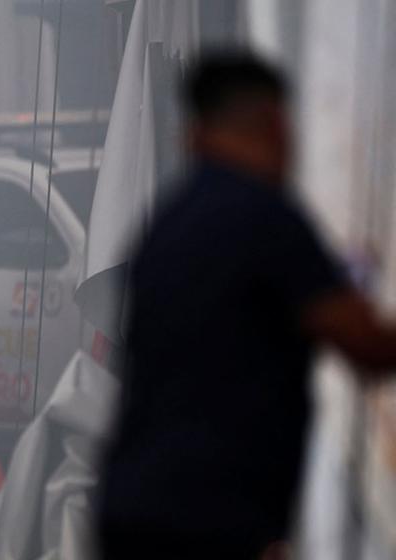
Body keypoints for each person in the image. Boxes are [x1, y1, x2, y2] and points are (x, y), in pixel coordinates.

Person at [96, 52, 396, 559]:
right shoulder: (266, 219)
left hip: (131, 508)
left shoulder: (166, 227)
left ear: (193, 134)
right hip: (209, 519)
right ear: (278, 126)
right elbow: (366, 346)